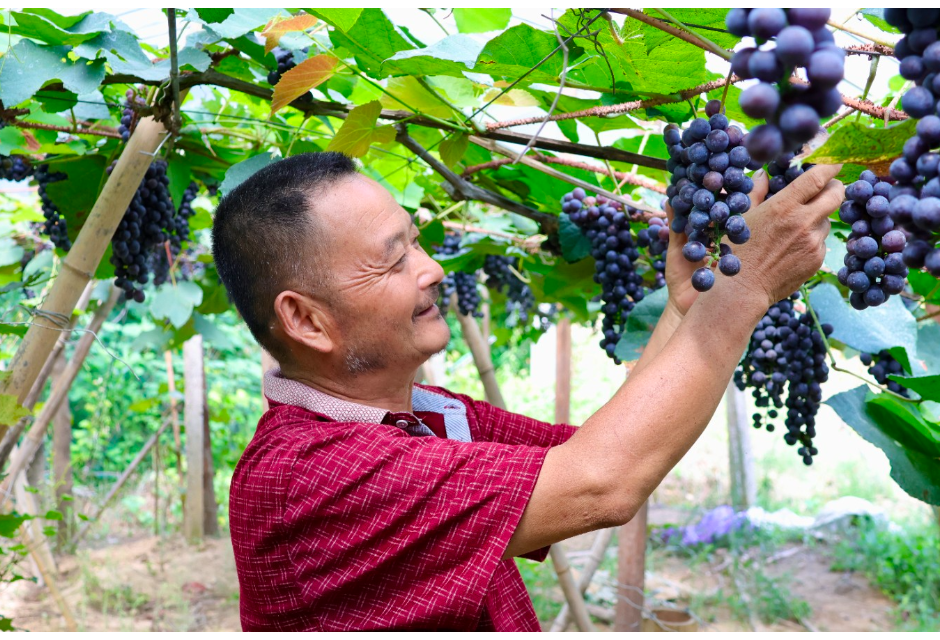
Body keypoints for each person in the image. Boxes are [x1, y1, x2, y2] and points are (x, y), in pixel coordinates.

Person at [211, 151, 841, 631]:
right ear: (306, 321)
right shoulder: (309, 476)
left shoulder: (426, 420)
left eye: (418, 242)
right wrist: (742, 289)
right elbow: (603, 483)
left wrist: (685, 307)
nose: (432, 269)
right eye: (393, 259)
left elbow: (598, 452)